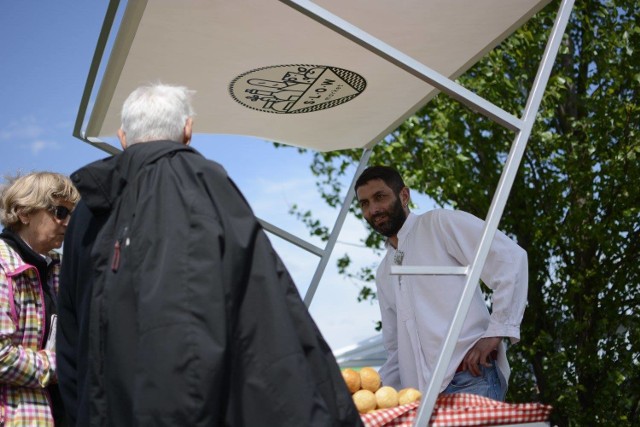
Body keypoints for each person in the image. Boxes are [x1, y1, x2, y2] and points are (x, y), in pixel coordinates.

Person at [57, 83, 362, 427]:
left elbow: (69, 337)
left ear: (122, 136)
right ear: (188, 130)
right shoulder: (198, 182)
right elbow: (261, 307)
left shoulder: (86, 212)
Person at [354, 165, 528, 401]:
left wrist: (497, 332)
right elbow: (396, 349)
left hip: (470, 378)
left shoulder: (439, 223)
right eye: (364, 203)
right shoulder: (384, 272)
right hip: (422, 399)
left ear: (404, 196)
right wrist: (373, 394)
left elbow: (509, 259)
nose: (374, 209)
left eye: (380, 197)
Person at [0, 172, 79, 426]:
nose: (67, 223)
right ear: (24, 213)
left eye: (72, 214)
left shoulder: (58, 268)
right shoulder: (3, 266)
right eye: (60, 212)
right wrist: (60, 366)